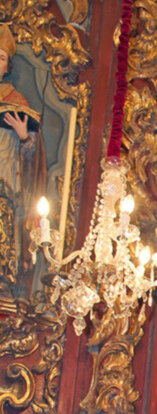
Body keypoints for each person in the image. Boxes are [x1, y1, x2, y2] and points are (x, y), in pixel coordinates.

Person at [0, 23, 46, 270]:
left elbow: (32, 159)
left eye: (1, 58)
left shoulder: (17, 102)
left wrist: (24, 136)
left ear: (7, 66)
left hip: (5, 186)